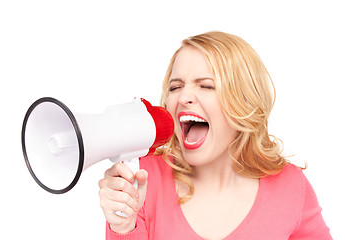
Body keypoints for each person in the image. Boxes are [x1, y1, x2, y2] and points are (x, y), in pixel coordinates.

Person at [98, 31, 332, 239]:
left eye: (206, 86)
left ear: (244, 100)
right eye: (175, 87)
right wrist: (123, 228)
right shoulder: (142, 179)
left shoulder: (290, 187)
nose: (183, 98)